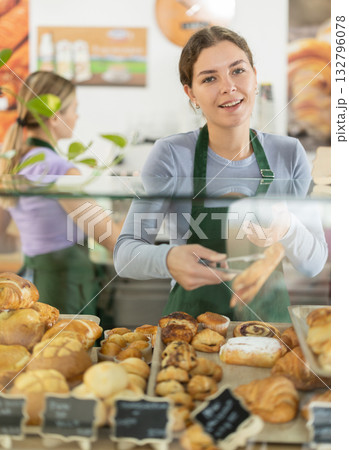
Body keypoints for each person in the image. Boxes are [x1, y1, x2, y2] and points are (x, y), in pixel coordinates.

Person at [114, 26, 328, 321]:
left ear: (254, 76)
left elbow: (313, 264)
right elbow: (125, 255)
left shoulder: (290, 153)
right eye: (210, 78)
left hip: (270, 332)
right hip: (190, 331)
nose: (228, 87)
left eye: (238, 71)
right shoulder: (171, 154)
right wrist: (167, 258)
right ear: (191, 93)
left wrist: (289, 227)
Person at [0, 71, 123, 315]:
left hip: (32, 280)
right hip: (64, 286)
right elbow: (112, 240)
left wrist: (36, 240)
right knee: (67, 350)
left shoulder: (16, 162)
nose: (76, 117)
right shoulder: (59, 169)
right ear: (56, 118)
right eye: (73, 109)